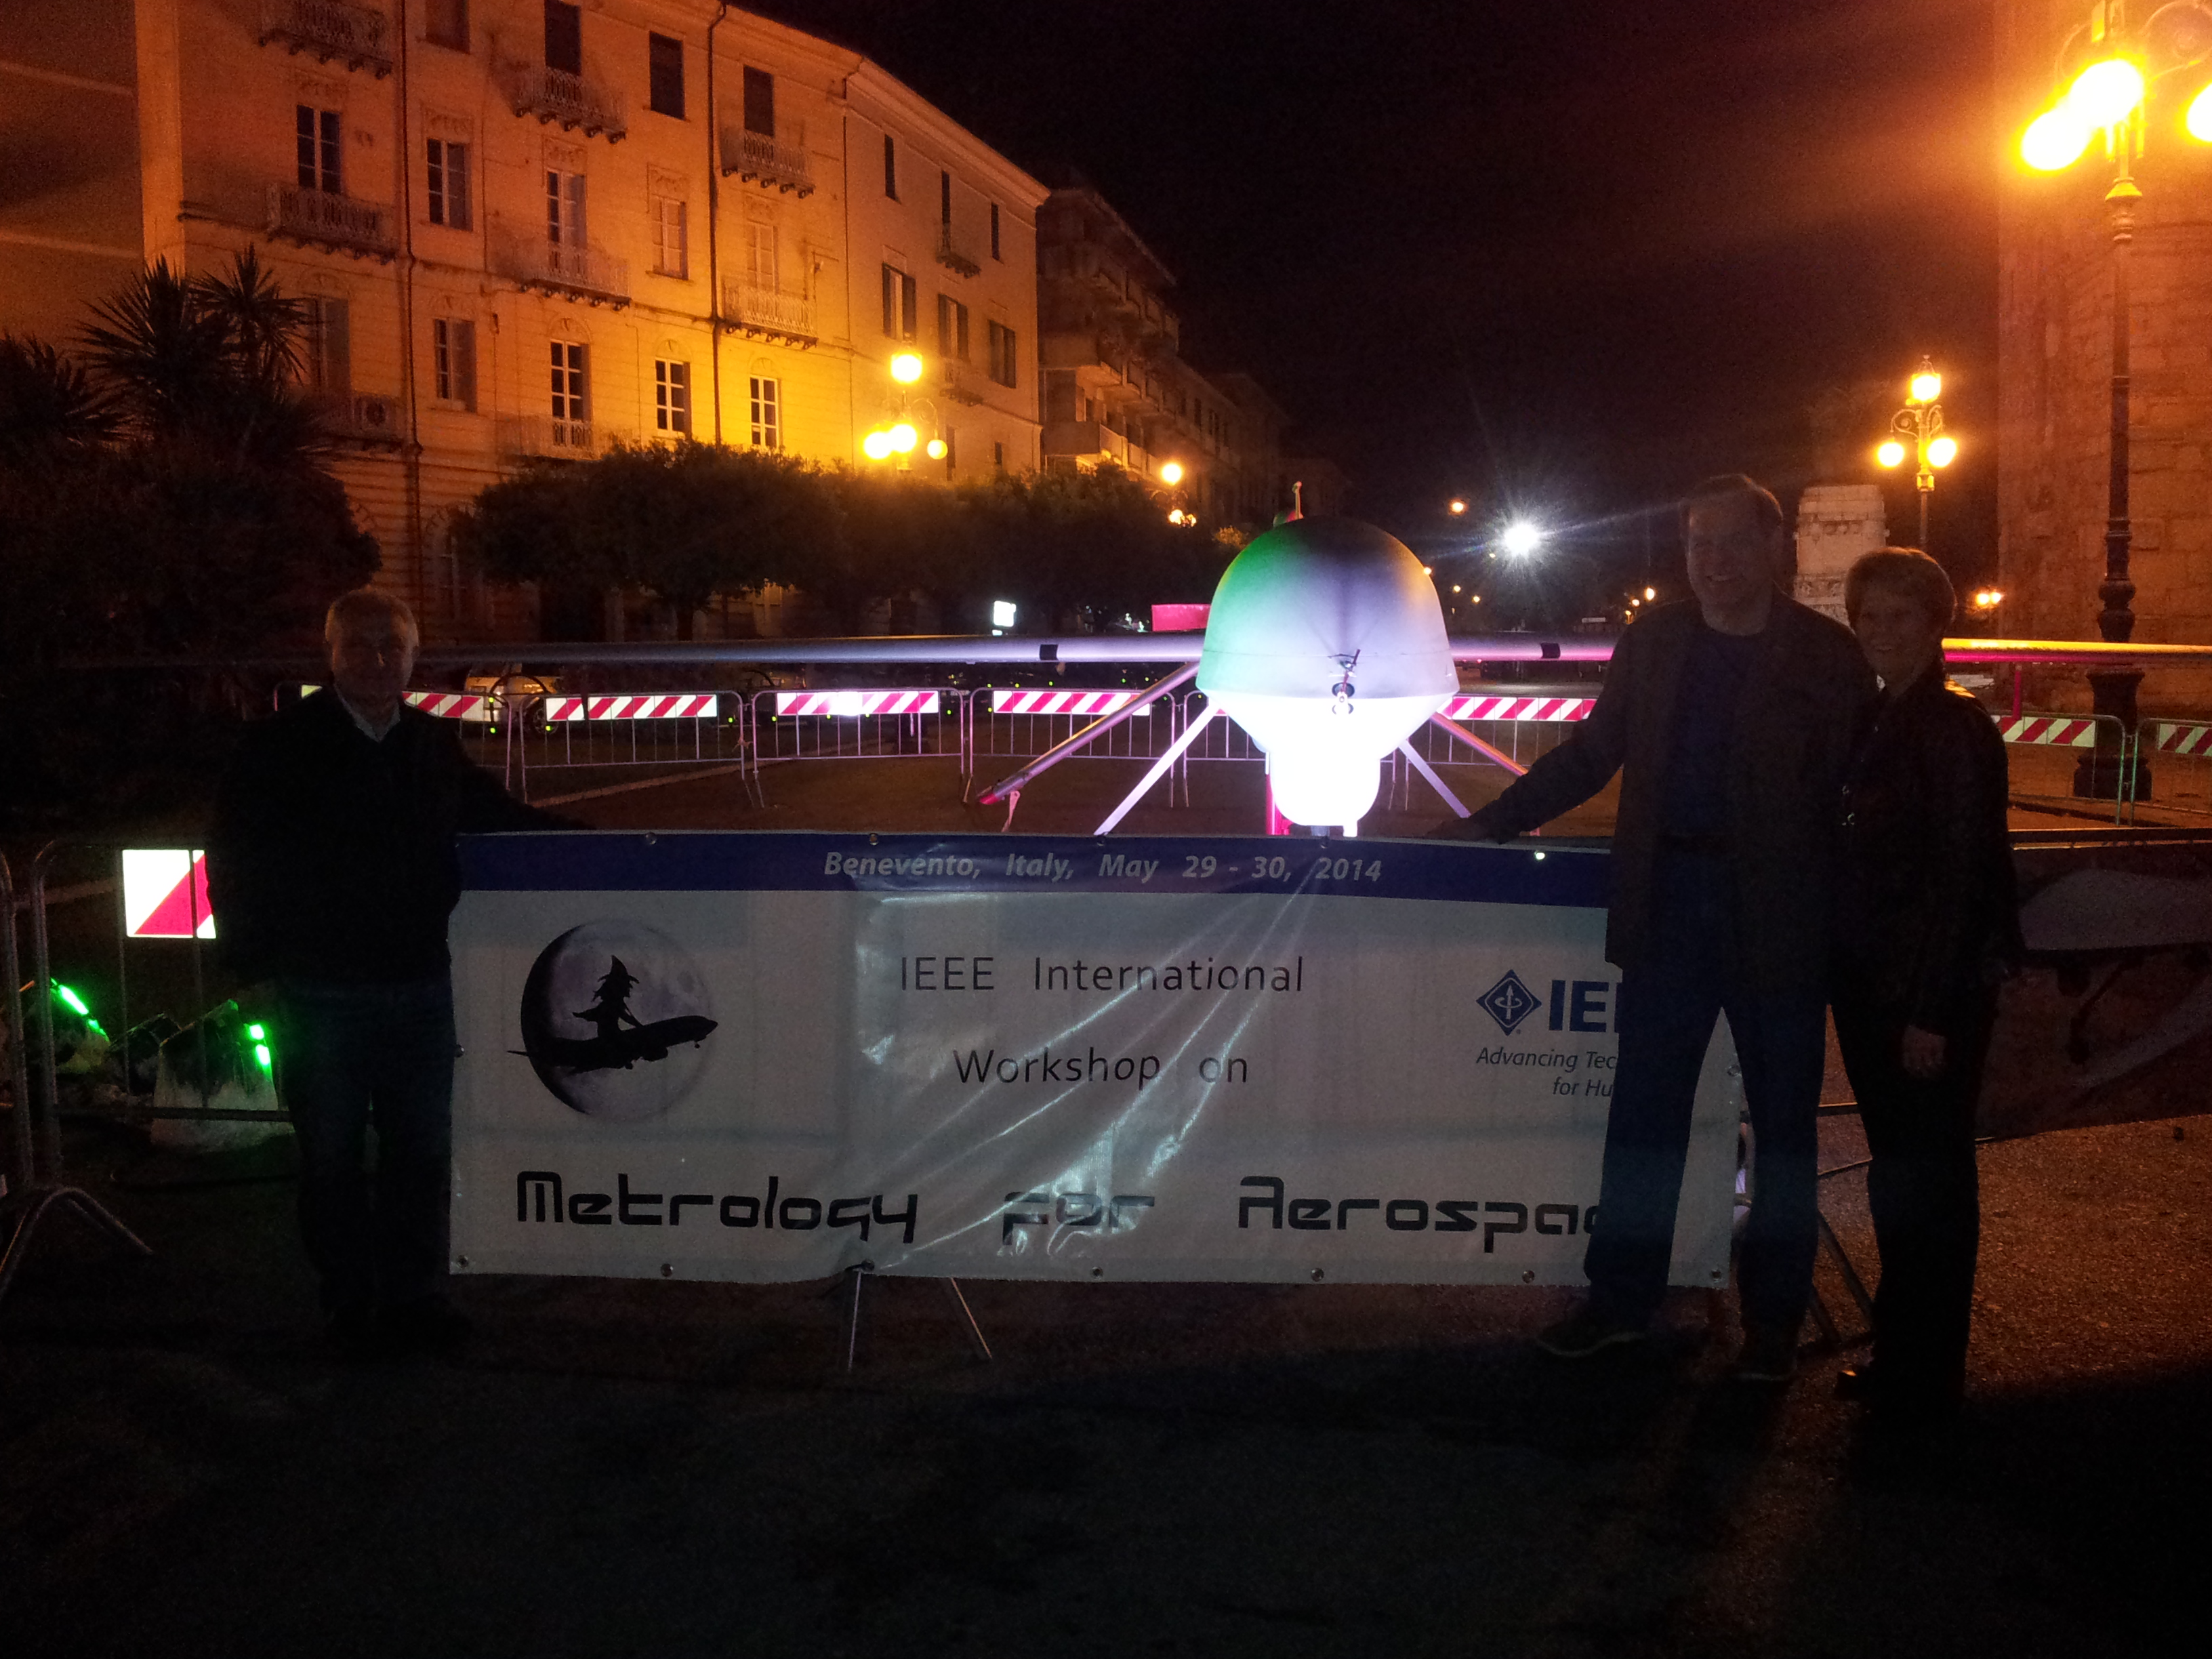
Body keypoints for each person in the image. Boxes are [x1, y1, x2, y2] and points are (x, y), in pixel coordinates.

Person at [1434, 475, 1876, 1380]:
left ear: (1776, 546)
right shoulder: (1656, 641)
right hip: (1669, 903)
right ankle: (1622, 1302)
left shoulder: (1827, 656)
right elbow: (1594, 756)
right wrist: (1490, 826)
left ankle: (1772, 1325)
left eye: (1734, 542)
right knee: (1643, 1118)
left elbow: (1858, 797)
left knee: (1785, 1129)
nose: (1714, 561)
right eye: (1698, 543)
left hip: (1780, 918)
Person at [208, 590, 569, 1357]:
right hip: (318, 990)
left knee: (420, 1155)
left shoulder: (432, 745)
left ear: (413, 657)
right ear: (331, 655)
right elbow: (235, 860)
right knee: (331, 1159)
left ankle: (415, 1299)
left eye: (391, 646)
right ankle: (348, 1303)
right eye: (361, 645)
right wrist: (250, 966)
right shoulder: (277, 746)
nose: (377, 659)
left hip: (419, 987)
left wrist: (614, 849)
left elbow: (500, 816)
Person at [1830, 548, 2019, 1430]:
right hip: (1879, 986)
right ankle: (1905, 1347)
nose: (1879, 631)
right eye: (1867, 616)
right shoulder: (1883, 715)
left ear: (1936, 623)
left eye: (1898, 616)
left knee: (1930, 1179)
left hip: (1919, 995)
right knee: (1903, 1175)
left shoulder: (1950, 727)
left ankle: (1927, 1366)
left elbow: (1964, 874)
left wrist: (1933, 1012)